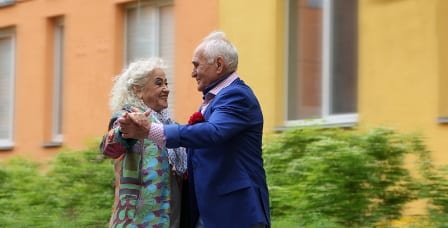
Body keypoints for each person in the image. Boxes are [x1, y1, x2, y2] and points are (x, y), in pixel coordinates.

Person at [120, 31, 271, 228]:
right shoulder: (216, 99)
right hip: (210, 211)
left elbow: (213, 132)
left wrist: (151, 131)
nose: (193, 73)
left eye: (196, 65)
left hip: (235, 211)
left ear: (218, 64)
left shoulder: (237, 96)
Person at [99, 57, 187, 228]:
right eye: (159, 83)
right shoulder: (128, 116)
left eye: (166, 84)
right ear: (138, 90)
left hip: (170, 218)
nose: (166, 89)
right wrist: (123, 132)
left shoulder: (169, 125)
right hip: (137, 220)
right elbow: (109, 148)